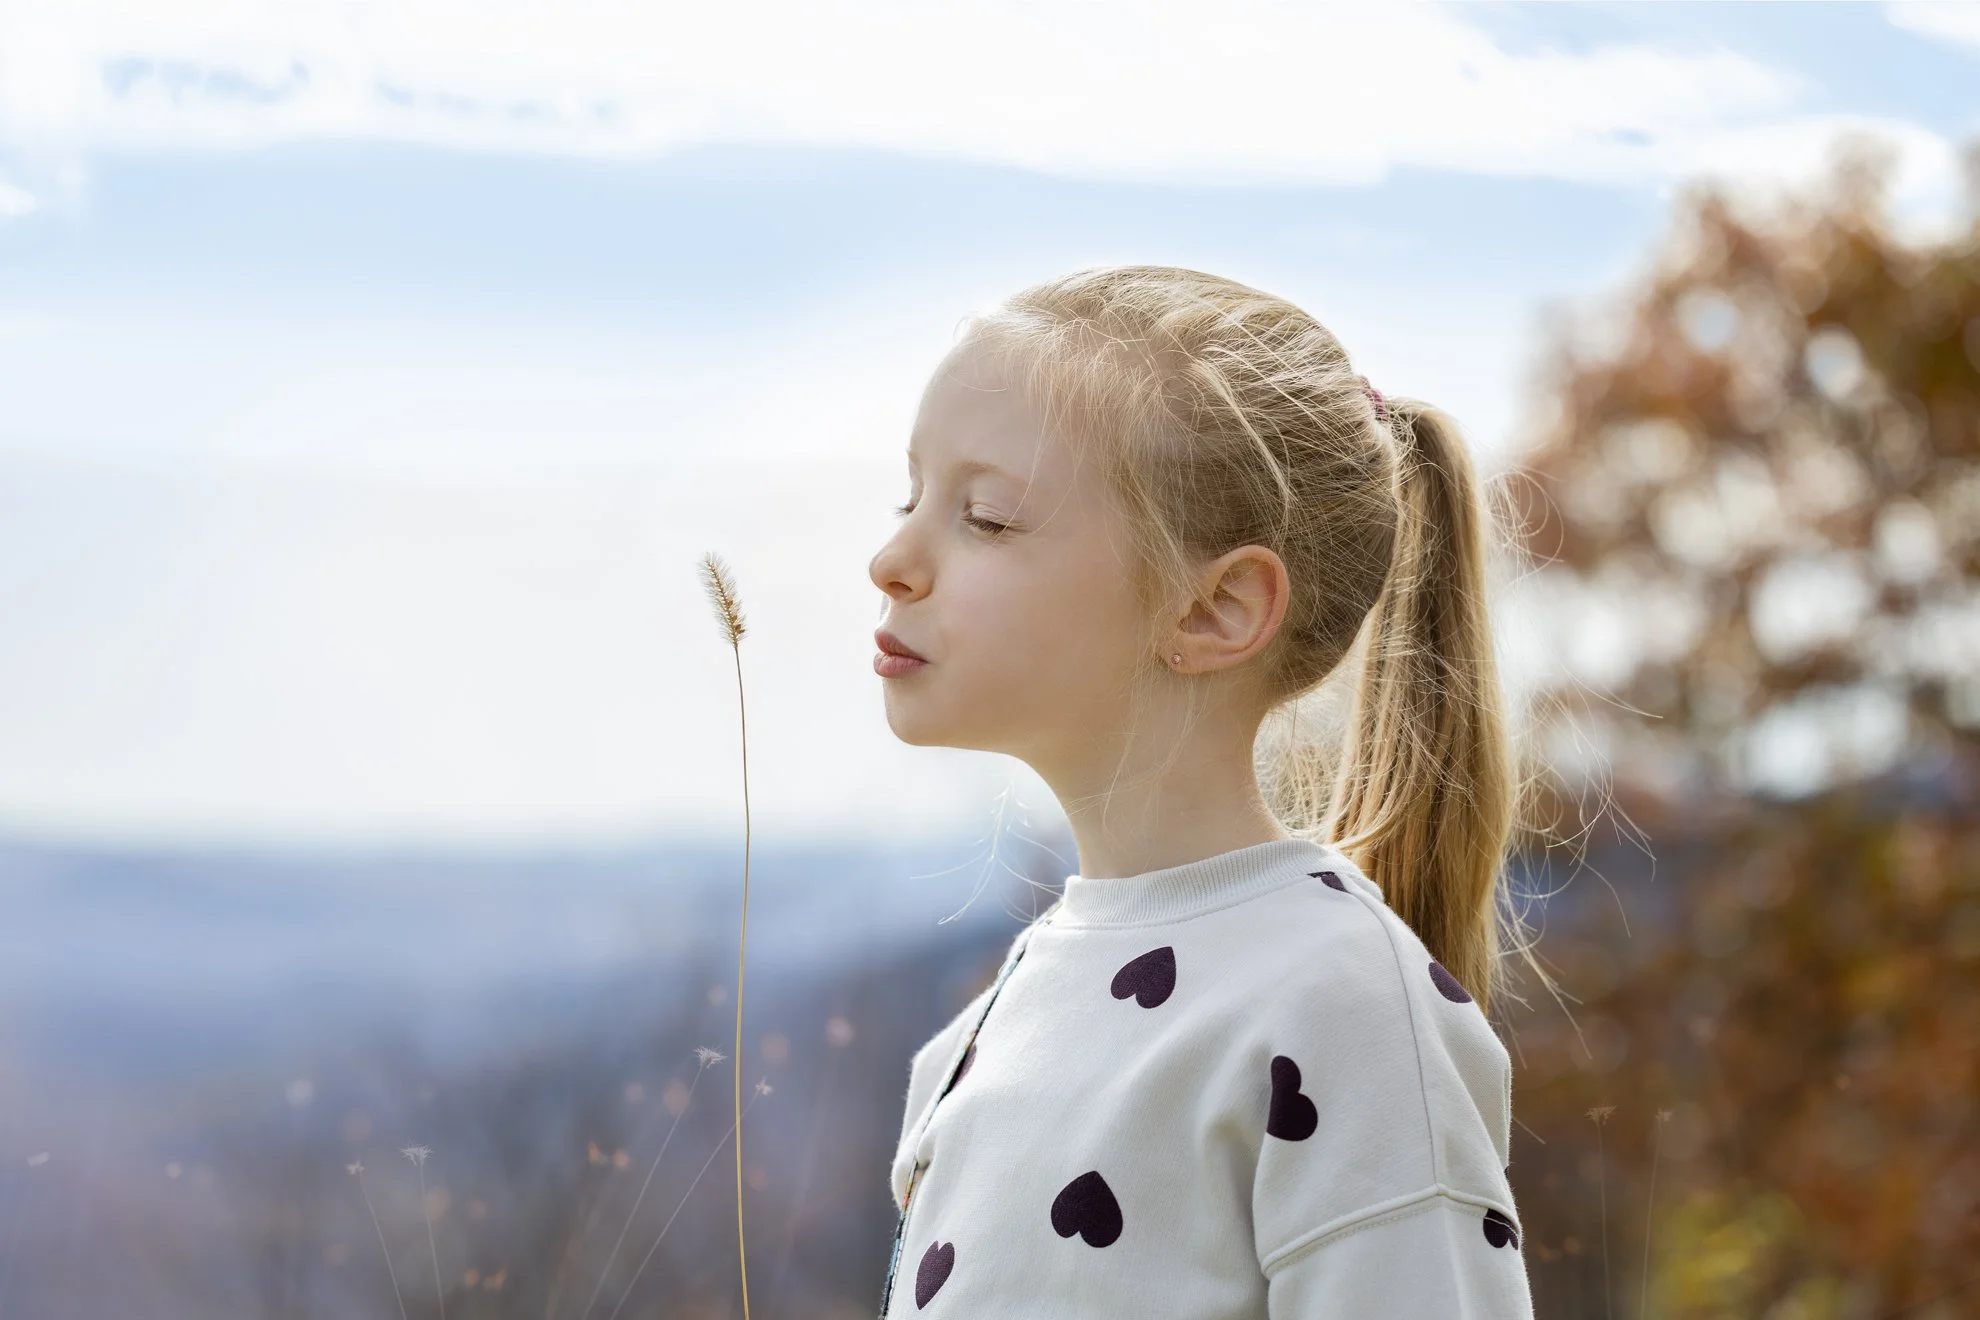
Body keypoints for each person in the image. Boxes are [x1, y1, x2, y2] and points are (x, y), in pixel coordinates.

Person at [866, 265, 1536, 1316]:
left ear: (1215, 609)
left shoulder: (1345, 1013)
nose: (892, 559)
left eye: (985, 518)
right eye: (911, 499)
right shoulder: (988, 1028)